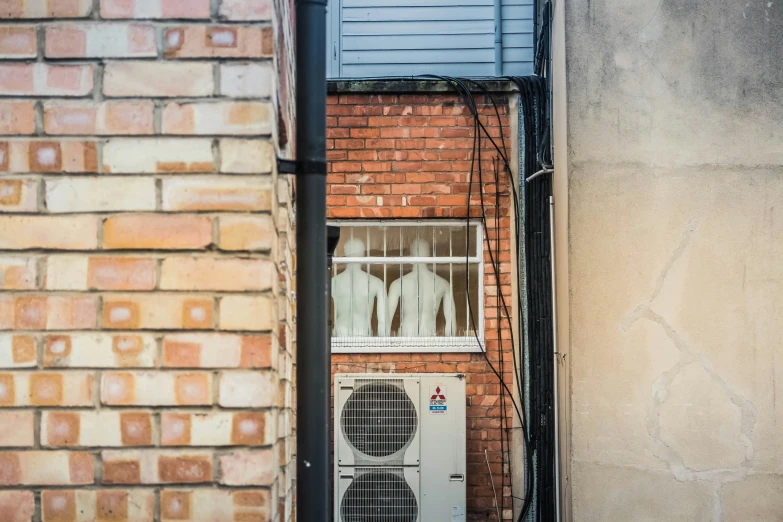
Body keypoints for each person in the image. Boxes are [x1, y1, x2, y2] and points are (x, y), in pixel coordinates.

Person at [387, 238, 456, 336]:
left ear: (410, 257)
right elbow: (451, 322)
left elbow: (386, 321)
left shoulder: (398, 284)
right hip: (429, 339)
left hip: (406, 338)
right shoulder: (443, 284)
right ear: (428, 256)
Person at [331, 237, 387, 336]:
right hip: (363, 331)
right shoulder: (376, 282)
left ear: (345, 254)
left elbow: (319, 315)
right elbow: (383, 321)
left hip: (340, 331)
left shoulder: (333, 282)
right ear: (363, 254)